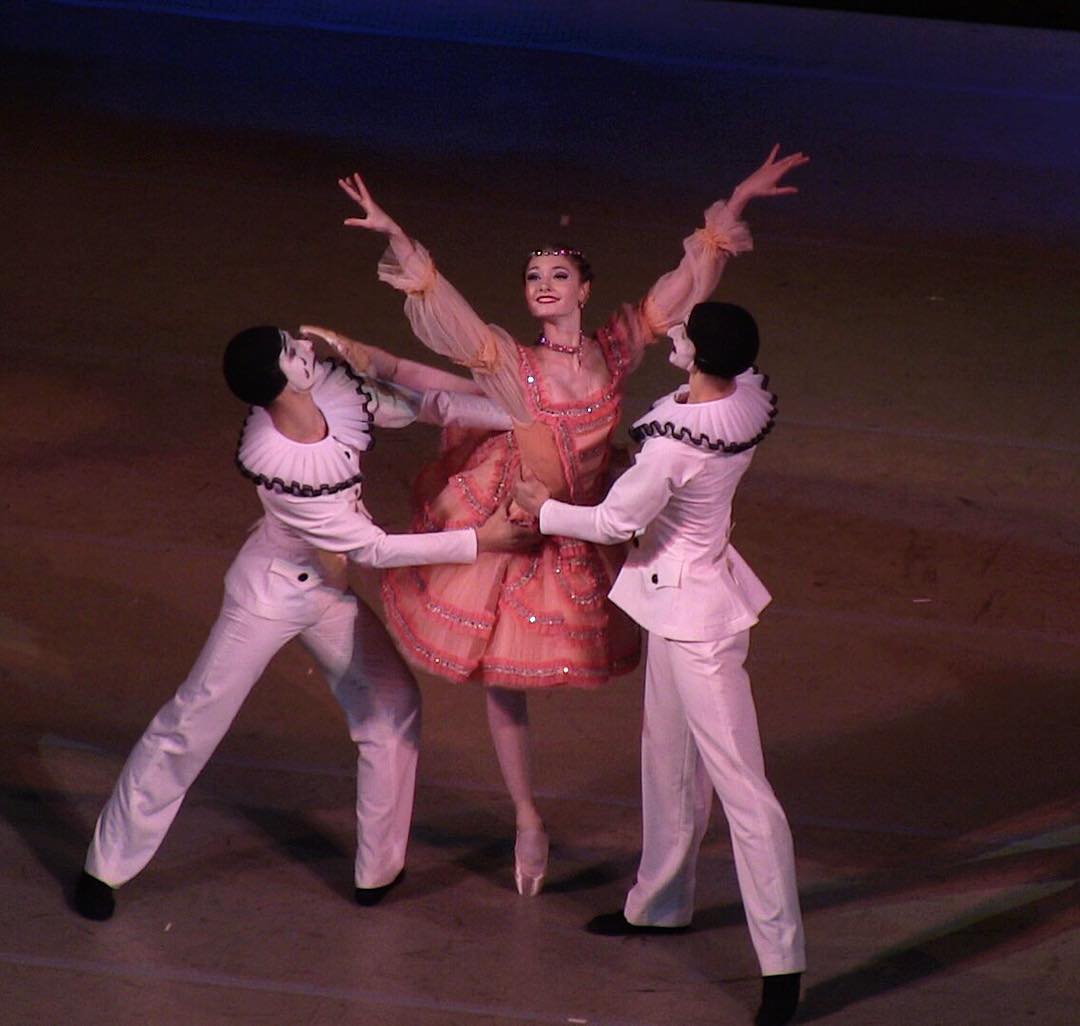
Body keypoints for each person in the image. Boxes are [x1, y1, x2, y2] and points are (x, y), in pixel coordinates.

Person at [336, 146, 808, 896]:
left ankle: (669, 850)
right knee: (500, 676)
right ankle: (527, 817)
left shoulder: (612, 351)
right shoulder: (513, 363)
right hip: (520, 519)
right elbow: (451, 318)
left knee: (655, 687)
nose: (544, 285)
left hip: (587, 518)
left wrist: (738, 201)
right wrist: (400, 240)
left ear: (585, 289)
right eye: (533, 277)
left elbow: (682, 285)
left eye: (558, 275)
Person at [73, 326, 526, 921]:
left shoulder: (335, 397)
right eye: (292, 352)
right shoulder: (287, 471)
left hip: (325, 591)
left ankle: (378, 870)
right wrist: (478, 541)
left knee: (393, 704)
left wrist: (521, 417)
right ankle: (104, 866)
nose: (307, 350)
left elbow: (424, 405)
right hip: (269, 597)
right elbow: (371, 548)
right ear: (276, 383)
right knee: (191, 723)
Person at [512, 302, 804, 1026]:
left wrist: (543, 509)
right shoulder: (739, 397)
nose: (674, 337)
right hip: (683, 602)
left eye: (685, 334)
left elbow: (616, 521)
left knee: (744, 792)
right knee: (667, 756)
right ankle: (660, 904)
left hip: (698, 623)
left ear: (700, 354)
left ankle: (783, 963)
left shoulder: (678, 446)